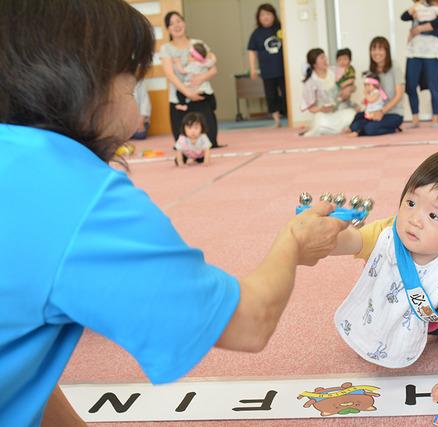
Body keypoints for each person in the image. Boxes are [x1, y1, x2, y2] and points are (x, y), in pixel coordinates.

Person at [0, 1, 348, 425]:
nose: (135, 113)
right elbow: (250, 322)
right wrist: (294, 241)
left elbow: (25, 368)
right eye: (132, 87)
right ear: (87, 87)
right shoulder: (79, 197)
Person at [330, 150, 438, 403]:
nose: (414, 220)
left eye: (433, 216)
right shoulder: (386, 233)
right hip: (387, 305)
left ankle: (434, 327)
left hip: (437, 316)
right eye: (411, 203)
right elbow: (352, 240)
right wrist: (325, 237)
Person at [160, 11, 224, 148]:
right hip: (180, 99)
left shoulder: (198, 44)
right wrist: (188, 94)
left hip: (200, 96)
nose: (176, 25)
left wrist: (201, 77)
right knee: (182, 144)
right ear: (168, 29)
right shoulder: (166, 48)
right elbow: (170, 75)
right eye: (171, 24)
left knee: (210, 141)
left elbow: (213, 68)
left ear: (184, 23)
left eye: (178, 21)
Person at [348, 37, 405, 137]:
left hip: (393, 113)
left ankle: (392, 128)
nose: (376, 52)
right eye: (374, 49)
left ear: (386, 51)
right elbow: (371, 94)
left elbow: (399, 95)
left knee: (371, 129)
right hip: (374, 111)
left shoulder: (395, 67)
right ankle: (359, 129)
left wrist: (381, 111)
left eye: (380, 49)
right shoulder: (371, 71)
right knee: (356, 121)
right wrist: (365, 104)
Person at [401, 3, 438, 128]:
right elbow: (403, 17)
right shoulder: (416, 7)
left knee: (433, 85)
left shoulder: (435, 7)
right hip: (414, 52)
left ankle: (436, 118)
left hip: (431, 52)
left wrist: (418, 29)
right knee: (411, 86)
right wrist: (412, 9)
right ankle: (415, 119)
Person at [300, 48, 356, 137]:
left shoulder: (335, 71)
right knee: (320, 121)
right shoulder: (310, 82)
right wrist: (321, 109)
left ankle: (338, 129)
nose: (325, 60)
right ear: (314, 63)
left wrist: (349, 89)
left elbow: (353, 86)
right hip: (324, 115)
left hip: (340, 111)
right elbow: (311, 108)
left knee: (352, 114)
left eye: (325, 57)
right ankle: (334, 129)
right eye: (322, 58)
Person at [248, 3, 287, 128]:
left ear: (274, 15)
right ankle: (277, 120)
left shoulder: (281, 28)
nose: (265, 17)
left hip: (283, 69)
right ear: (258, 18)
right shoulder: (256, 33)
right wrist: (253, 68)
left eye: (268, 14)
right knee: (271, 95)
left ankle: (289, 116)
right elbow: (251, 51)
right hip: (267, 70)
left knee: (286, 93)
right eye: (262, 15)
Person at [173, 43, 216, 112]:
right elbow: (213, 61)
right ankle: (213, 104)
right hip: (205, 90)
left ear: (195, 57)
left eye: (189, 55)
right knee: (207, 99)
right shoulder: (205, 63)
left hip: (194, 88)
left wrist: (177, 61)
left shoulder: (193, 65)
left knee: (179, 92)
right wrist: (212, 56)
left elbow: (182, 71)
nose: (188, 57)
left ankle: (183, 105)